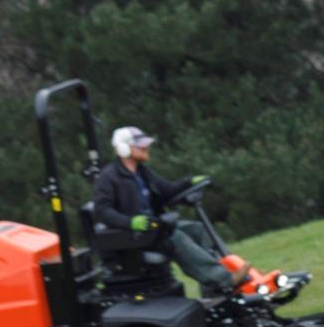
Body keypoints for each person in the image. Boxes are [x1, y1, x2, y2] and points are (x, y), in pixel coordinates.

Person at [90, 126, 244, 296]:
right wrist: (131, 222)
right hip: (133, 238)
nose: (146, 148)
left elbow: (167, 190)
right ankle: (224, 280)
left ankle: (223, 279)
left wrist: (189, 182)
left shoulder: (142, 172)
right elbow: (102, 211)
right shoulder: (108, 177)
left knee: (198, 229)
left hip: (152, 228)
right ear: (124, 148)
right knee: (174, 237)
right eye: (140, 146)